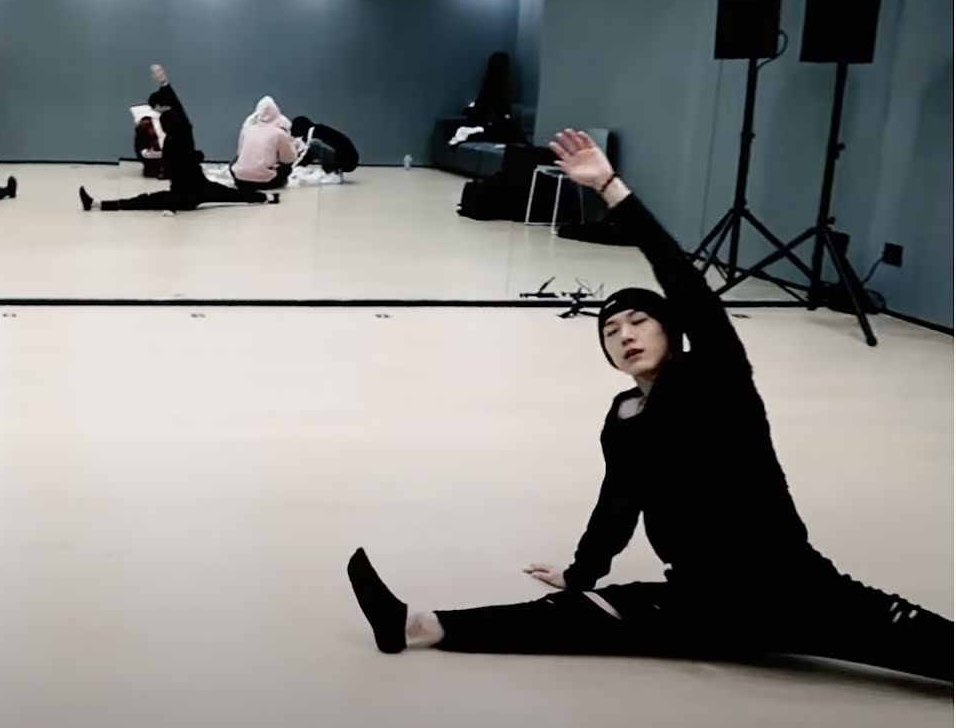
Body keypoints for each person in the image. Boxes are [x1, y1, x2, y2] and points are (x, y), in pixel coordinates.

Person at [346, 129, 953, 684]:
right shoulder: (623, 418)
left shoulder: (716, 378)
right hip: (701, 602)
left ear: (672, 329)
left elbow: (680, 277)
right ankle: (416, 625)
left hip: (792, 590)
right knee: (570, 614)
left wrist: (611, 189)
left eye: (639, 321)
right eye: (611, 331)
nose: (625, 335)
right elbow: (618, 503)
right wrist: (580, 574)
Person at [79, 65, 279, 213]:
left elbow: (173, 168)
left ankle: (97, 204)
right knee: (233, 195)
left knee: (143, 201)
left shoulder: (173, 139)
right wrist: (164, 83)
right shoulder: (183, 130)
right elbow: (177, 107)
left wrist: (171, 205)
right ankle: (269, 197)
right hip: (199, 187)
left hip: (183, 196)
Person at [230, 96, 298, 191]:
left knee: (234, 162)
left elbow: (240, 154)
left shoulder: (248, 130)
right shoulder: (279, 133)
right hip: (266, 183)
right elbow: (289, 159)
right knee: (286, 168)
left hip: (241, 182)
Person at [290, 117, 359, 176]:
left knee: (314, 145)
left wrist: (291, 168)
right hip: (350, 159)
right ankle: (334, 172)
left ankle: (332, 173)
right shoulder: (319, 130)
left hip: (347, 160)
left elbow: (307, 154)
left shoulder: (312, 134)